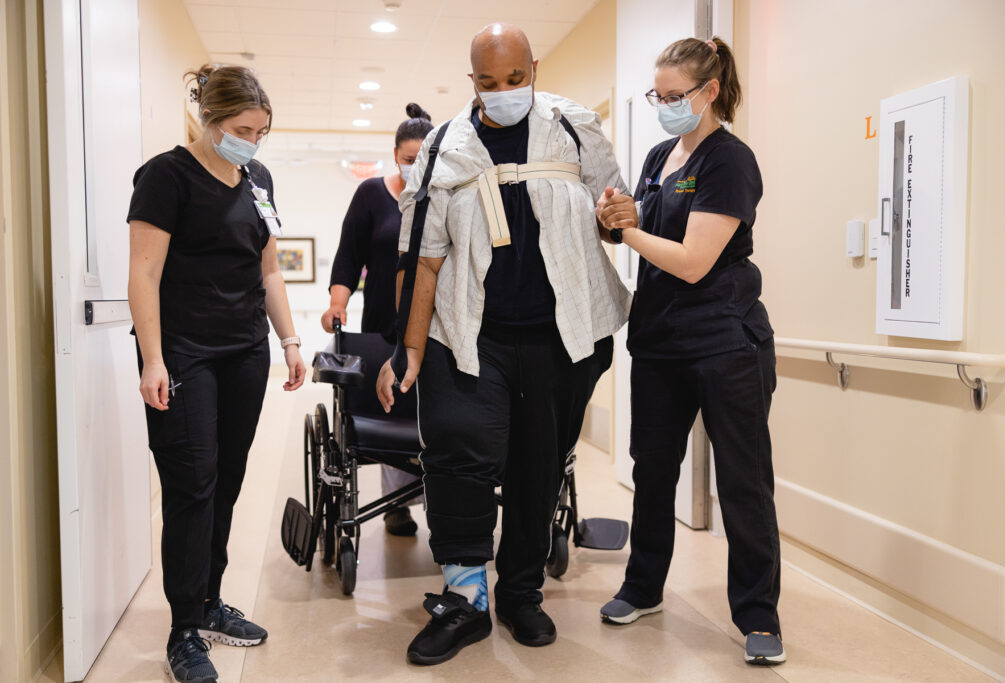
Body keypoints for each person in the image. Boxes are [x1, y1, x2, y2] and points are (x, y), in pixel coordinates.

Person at [376, 22, 630, 665]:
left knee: (538, 466)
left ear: (534, 69)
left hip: (560, 333)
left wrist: (616, 218)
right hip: (468, 333)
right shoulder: (444, 145)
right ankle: (465, 600)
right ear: (472, 82)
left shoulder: (573, 128)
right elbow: (423, 258)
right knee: (460, 454)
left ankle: (520, 593)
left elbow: (611, 208)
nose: (503, 92)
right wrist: (407, 349)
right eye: (489, 84)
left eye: (515, 79)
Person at [594, 37, 784, 665]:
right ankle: (643, 586)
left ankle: (758, 616)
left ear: (709, 93)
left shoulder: (731, 161)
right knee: (653, 474)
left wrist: (630, 229)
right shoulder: (657, 156)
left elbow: (696, 262)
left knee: (742, 482)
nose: (666, 106)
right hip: (660, 344)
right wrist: (614, 218)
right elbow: (641, 235)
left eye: (676, 97)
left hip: (725, 343)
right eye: (659, 96)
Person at [127, 64, 306, 683]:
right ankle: (182, 629)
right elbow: (144, 273)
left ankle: (208, 602)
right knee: (191, 484)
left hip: (243, 353)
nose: (253, 141)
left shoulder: (258, 177)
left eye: (261, 131)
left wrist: (289, 339)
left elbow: (271, 271)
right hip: (183, 353)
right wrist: (153, 358)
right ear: (210, 120)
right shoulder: (165, 176)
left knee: (227, 479)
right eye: (242, 129)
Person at [321, 103, 434, 536]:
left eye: (424, 160)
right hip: (383, 325)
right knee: (392, 404)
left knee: (433, 411)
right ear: (395, 154)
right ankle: (397, 504)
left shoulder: (446, 195)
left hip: (437, 326)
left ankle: (443, 499)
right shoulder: (372, 194)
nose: (416, 168)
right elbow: (348, 257)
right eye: (408, 160)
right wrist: (337, 303)